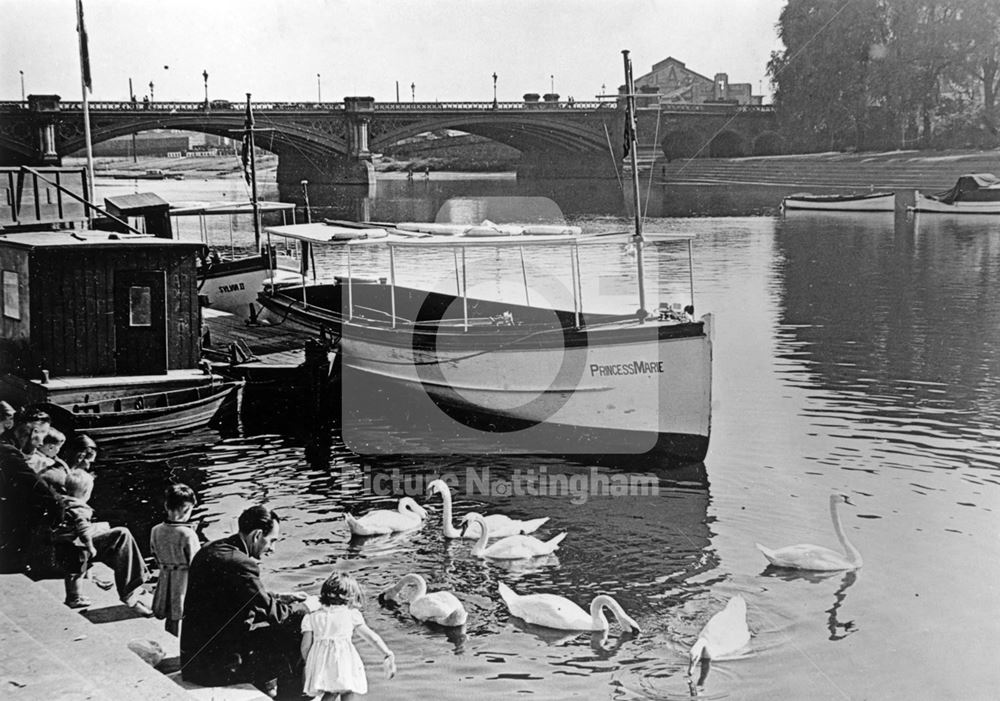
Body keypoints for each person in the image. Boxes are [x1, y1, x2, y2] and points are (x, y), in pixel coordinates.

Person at [181, 505, 314, 695]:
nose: (272, 549)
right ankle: (292, 698)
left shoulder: (211, 549)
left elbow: (243, 598)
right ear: (257, 535)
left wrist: (281, 597)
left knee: (269, 630)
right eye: (271, 541)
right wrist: (306, 608)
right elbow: (274, 614)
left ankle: (269, 688)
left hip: (195, 662)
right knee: (299, 626)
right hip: (218, 669)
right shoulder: (242, 564)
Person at [301, 573, 395, 701]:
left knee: (331, 692)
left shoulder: (311, 617)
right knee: (347, 691)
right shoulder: (351, 615)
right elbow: (371, 637)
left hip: (320, 661)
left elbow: (305, 647)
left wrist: (310, 663)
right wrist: (386, 653)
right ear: (350, 597)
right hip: (343, 660)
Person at [0, 409, 64, 573]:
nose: (41, 443)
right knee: (40, 504)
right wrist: (58, 505)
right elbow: (34, 484)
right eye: (42, 435)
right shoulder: (8, 451)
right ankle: (36, 563)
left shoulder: (5, 443)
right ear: (35, 431)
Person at [150, 483, 201, 636]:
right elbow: (196, 561)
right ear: (188, 509)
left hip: (165, 577)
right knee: (181, 613)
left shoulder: (156, 529)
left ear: (166, 506)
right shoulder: (188, 534)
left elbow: (154, 553)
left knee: (170, 614)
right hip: (183, 580)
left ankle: (169, 639)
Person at [51, 469, 98, 608]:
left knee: (70, 572)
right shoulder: (81, 509)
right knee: (77, 572)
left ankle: (72, 595)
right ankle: (75, 598)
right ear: (85, 493)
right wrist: (90, 546)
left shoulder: (63, 503)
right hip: (74, 545)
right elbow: (84, 531)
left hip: (61, 542)